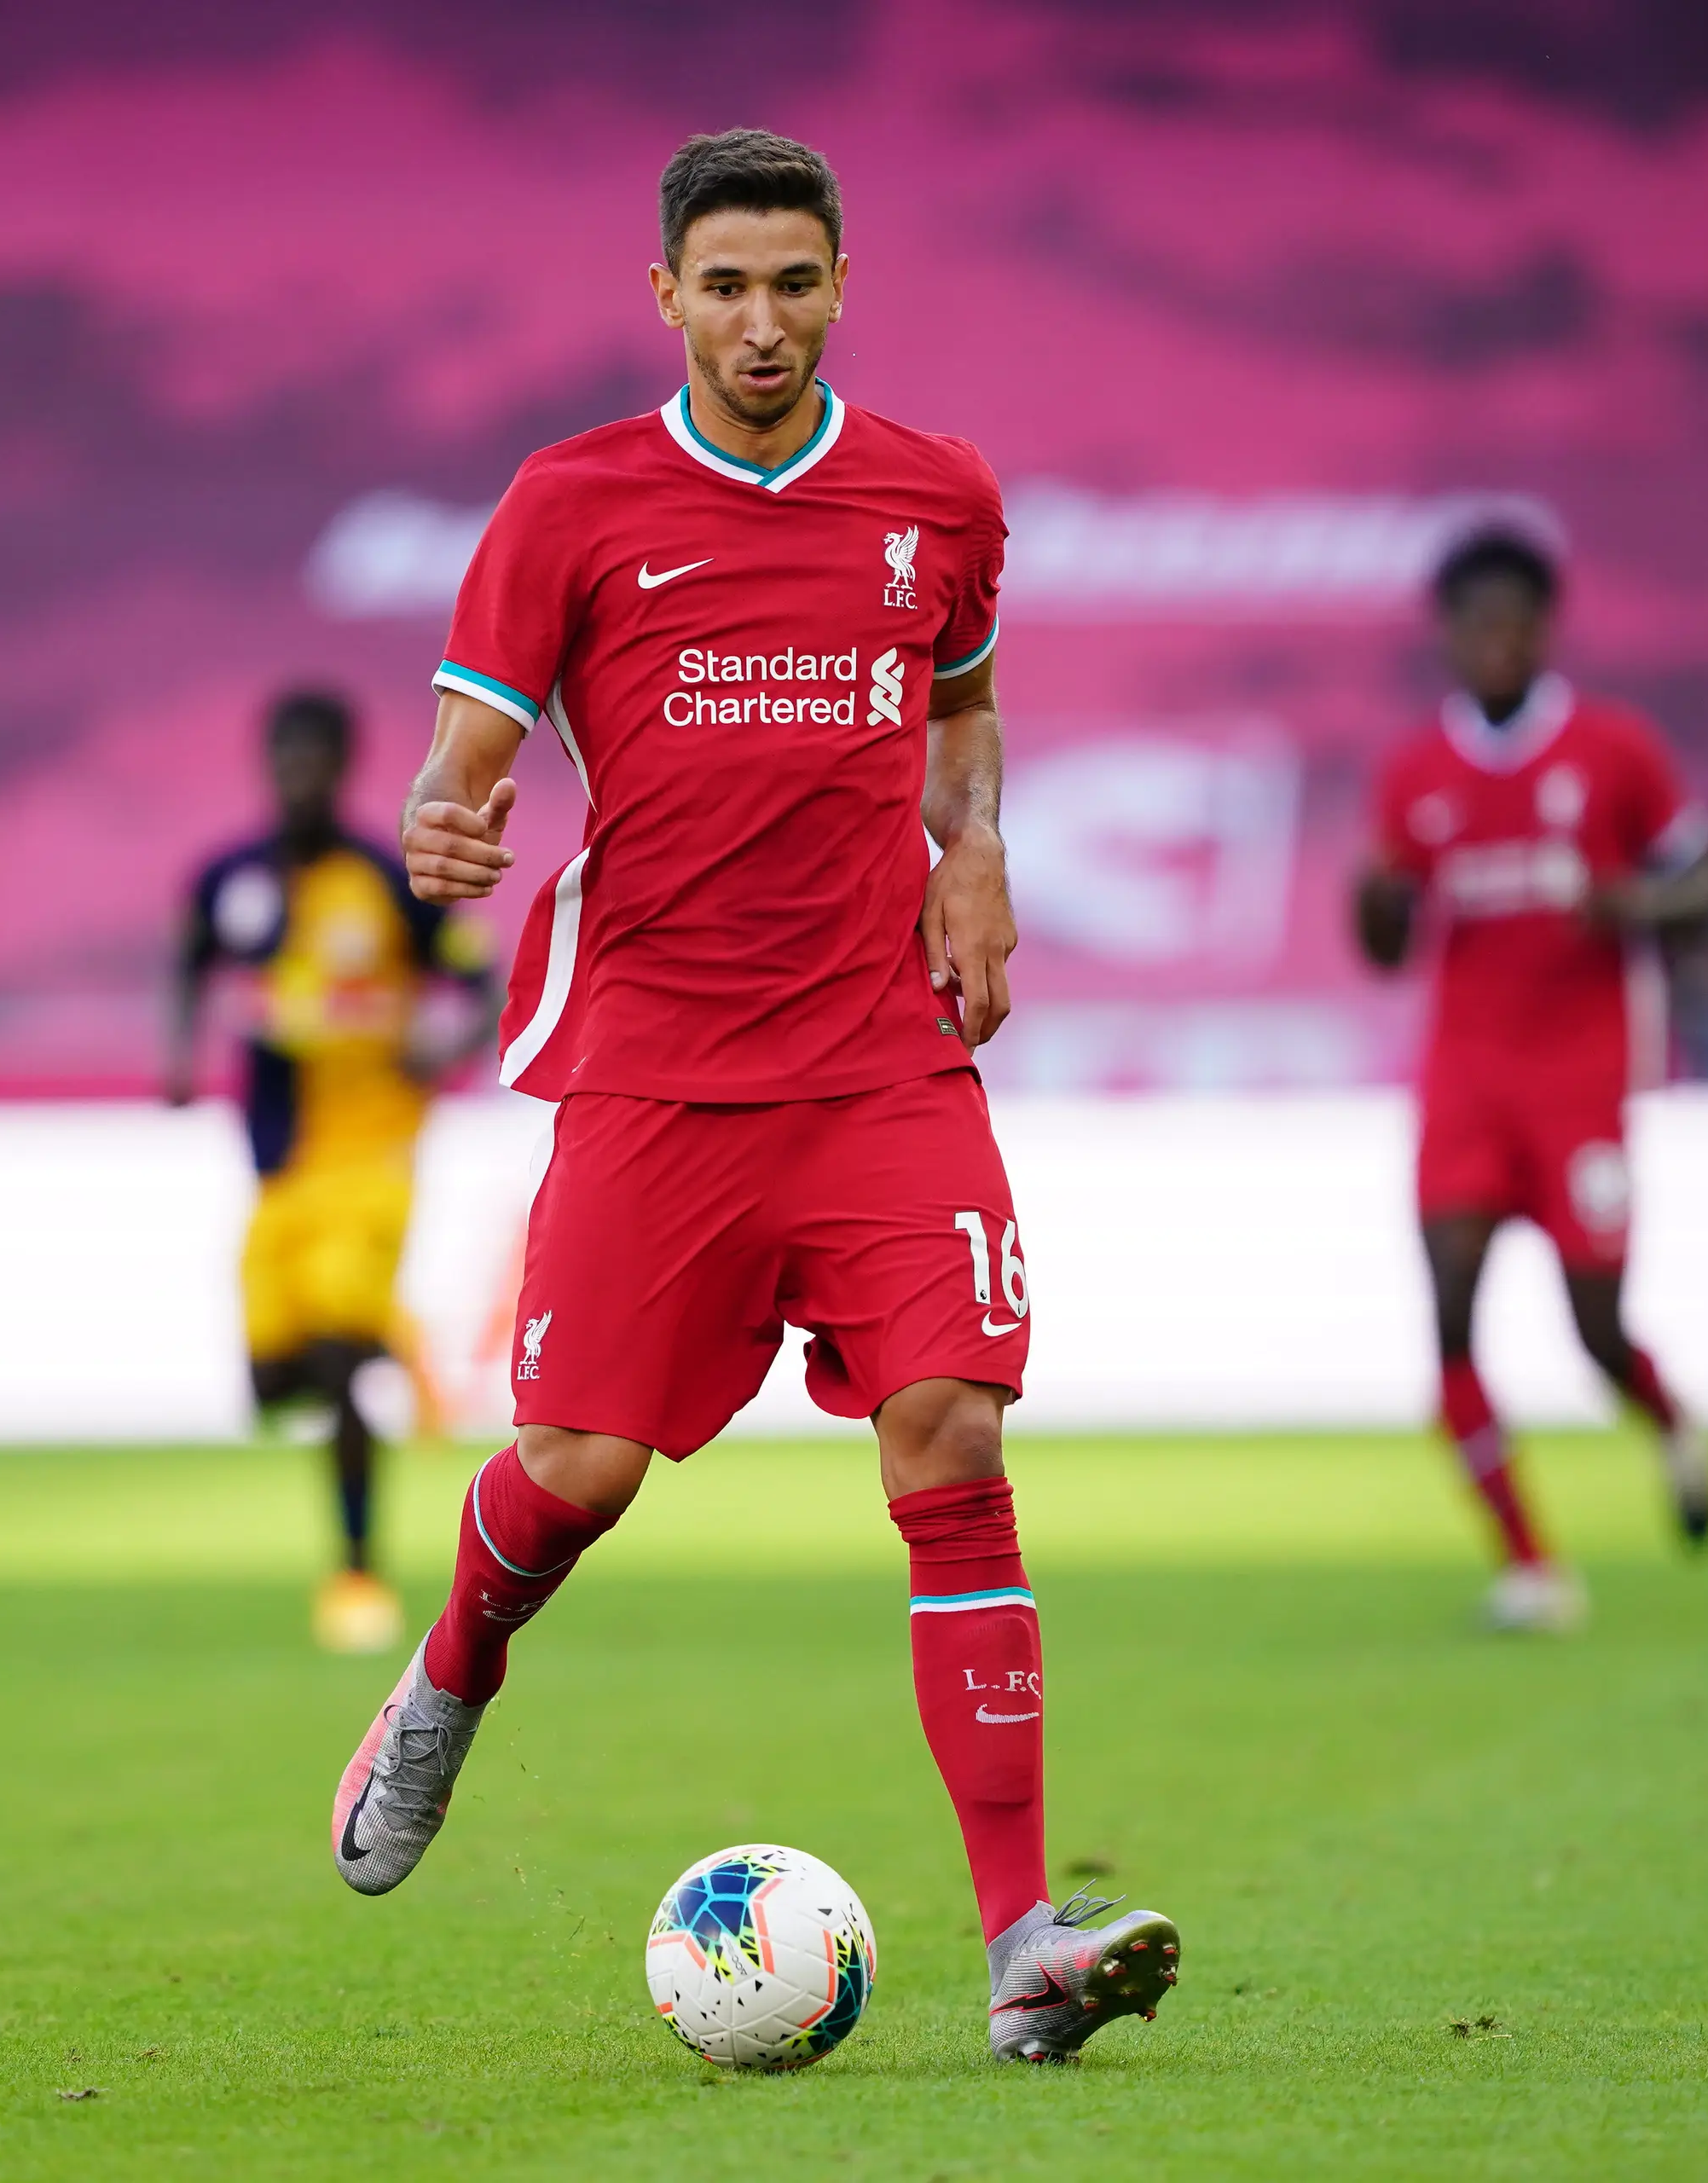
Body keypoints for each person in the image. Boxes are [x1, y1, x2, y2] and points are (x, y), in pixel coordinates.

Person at [326, 128, 1179, 2062]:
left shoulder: (934, 492)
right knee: (578, 1469)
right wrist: (442, 818)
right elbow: (463, 746)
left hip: (883, 1052)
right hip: (658, 1071)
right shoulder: (570, 502)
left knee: (948, 1430)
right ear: (665, 299)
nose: (762, 320)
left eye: (794, 282)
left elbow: (960, 707)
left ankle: (1023, 1935)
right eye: (724, 285)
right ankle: (450, 1671)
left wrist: (971, 849)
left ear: (839, 283)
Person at [1354, 528, 1708, 1633]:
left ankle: (1673, 1426)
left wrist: (1637, 908)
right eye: (1477, 628)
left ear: (1543, 630)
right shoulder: (1415, 773)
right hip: (1464, 1082)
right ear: (1451, 640)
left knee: (1595, 1328)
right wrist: (1373, 907)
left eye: (1515, 625)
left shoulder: (1615, 752)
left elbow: (1706, 880)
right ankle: (1529, 1564)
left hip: (1582, 1086)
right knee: (1454, 1314)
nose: (1497, 646)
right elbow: (1386, 942)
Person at [165, 687, 500, 1653]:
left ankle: (356, 1574)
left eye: (313, 761)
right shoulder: (232, 880)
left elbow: (483, 981)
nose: (296, 777)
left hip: (373, 1157)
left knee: (340, 1366)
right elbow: (187, 960)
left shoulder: (385, 879)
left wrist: (442, 1053)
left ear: (342, 767)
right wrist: (182, 1057)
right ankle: (394, 1341)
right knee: (273, 1382)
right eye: (283, 760)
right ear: (265, 765)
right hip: (279, 1168)